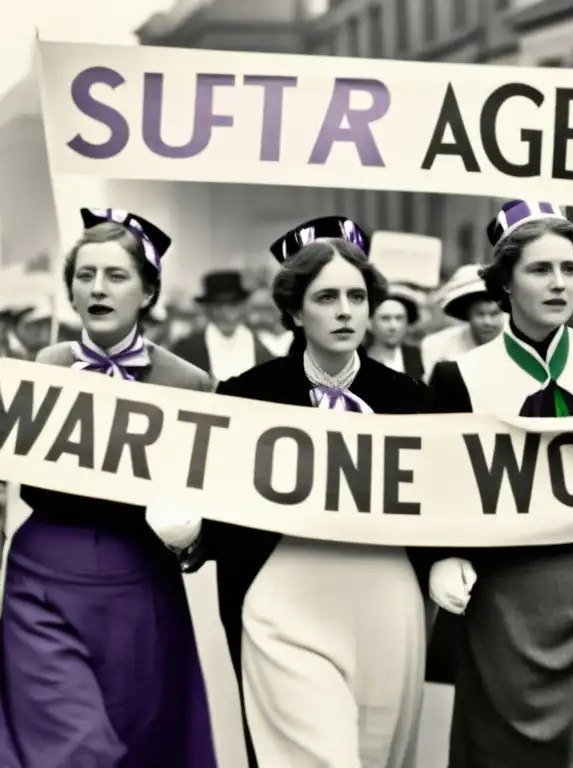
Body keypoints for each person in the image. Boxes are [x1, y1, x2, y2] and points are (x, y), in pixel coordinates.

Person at [155, 215, 429, 768]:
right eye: (326, 296)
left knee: (378, 757)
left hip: (386, 601)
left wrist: (449, 556)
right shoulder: (245, 396)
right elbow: (215, 498)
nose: (346, 310)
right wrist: (189, 535)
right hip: (280, 601)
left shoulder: (412, 400)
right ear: (296, 311)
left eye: (357, 295)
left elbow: (445, 500)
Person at [425, 200, 573, 768]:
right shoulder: (461, 376)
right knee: (507, 753)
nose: (560, 284)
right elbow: (439, 483)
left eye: (571, 269)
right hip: (509, 596)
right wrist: (442, 553)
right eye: (540, 269)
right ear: (504, 281)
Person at [0, 207, 217, 768]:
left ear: (147, 293)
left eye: (117, 276)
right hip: (41, 578)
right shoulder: (41, 366)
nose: (98, 289)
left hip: (140, 584)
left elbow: (215, 506)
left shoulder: (189, 383)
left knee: (137, 744)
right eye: (85, 275)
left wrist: (191, 535)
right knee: (72, 745)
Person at [171, 269, 274, 379]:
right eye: (219, 306)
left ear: (243, 307)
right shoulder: (186, 349)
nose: (226, 313)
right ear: (207, 309)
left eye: (233, 305)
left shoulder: (263, 351)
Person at [420, 263, 505, 381]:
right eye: (480, 314)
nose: (487, 322)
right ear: (468, 315)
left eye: (494, 314)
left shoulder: (522, 346)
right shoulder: (437, 346)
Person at [365, 283, 424, 378]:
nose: (393, 326)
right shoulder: (358, 360)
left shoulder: (418, 357)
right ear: (369, 323)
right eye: (385, 318)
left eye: (399, 318)